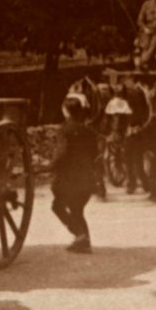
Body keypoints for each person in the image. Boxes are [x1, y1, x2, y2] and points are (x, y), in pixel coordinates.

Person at [49, 93, 98, 253]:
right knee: (78, 210)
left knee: (58, 206)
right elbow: (95, 153)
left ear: (66, 111)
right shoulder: (89, 131)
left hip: (69, 180)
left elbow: (61, 154)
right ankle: (84, 241)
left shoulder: (65, 130)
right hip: (86, 179)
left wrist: (50, 166)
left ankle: (81, 236)